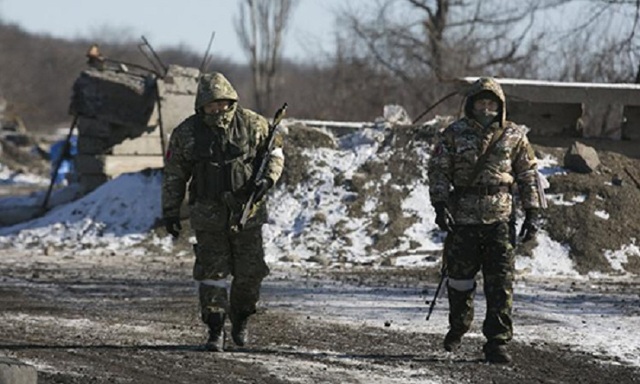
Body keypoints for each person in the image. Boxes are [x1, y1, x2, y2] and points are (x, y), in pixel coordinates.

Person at [162, 72, 285, 352]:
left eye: (221, 102)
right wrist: (170, 211)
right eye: (210, 104)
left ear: (231, 100)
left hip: (247, 214)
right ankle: (215, 329)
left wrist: (268, 180)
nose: (217, 108)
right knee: (211, 274)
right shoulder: (187, 133)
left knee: (250, 273)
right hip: (208, 216)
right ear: (201, 106)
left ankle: (240, 317)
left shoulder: (253, 124)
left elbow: (275, 155)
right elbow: (174, 174)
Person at [427, 77, 542, 363]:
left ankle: (497, 343)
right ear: (472, 104)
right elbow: (439, 170)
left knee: (500, 284)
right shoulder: (454, 133)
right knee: (460, 281)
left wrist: (533, 213)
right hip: (463, 220)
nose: (486, 108)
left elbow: (528, 175)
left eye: (492, 103)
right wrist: (440, 206)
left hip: (500, 220)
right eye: (482, 102)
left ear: (500, 106)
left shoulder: (514, 135)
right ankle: (459, 326)